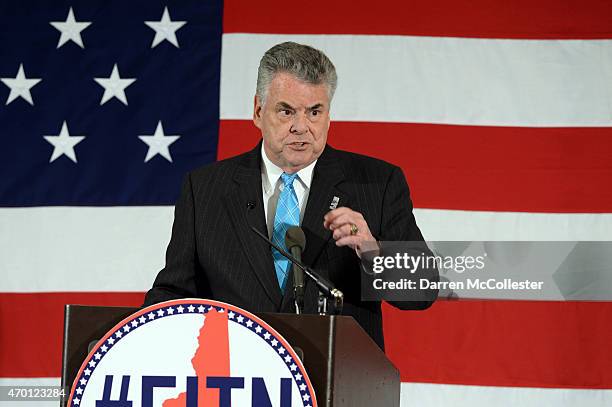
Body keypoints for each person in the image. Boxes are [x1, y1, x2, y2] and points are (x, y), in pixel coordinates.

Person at [144, 42, 435, 349]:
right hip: (238, 379)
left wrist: (372, 250)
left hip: (336, 382)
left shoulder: (377, 183)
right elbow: (173, 294)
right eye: (286, 111)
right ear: (258, 111)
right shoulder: (205, 188)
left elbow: (422, 292)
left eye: (314, 112)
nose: (301, 127)